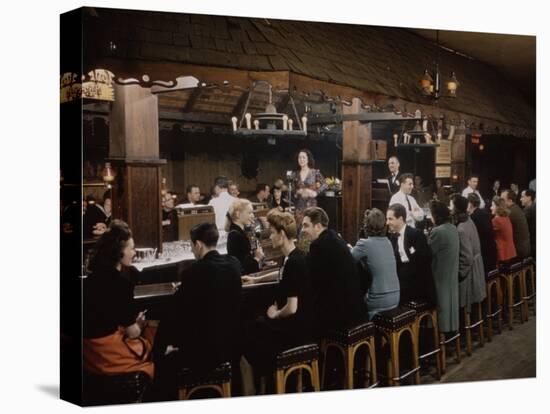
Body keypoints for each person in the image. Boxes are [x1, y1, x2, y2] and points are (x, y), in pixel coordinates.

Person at [153, 222, 242, 400]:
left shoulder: (193, 272)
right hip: (232, 347)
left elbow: (175, 315)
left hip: (204, 353)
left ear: (198, 245)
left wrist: (159, 347)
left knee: (162, 363)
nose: (193, 251)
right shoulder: (234, 265)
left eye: (192, 246)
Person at [241, 211, 313, 375]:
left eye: (272, 233)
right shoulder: (297, 256)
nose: (270, 237)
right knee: (256, 323)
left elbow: (292, 308)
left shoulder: (293, 262)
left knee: (248, 330)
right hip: (304, 325)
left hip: (295, 332)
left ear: (281, 234)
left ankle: (268, 380)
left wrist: (275, 314)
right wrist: (257, 279)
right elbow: (282, 272)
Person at [83, 220, 154, 380]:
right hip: (108, 355)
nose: (134, 253)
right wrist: (140, 324)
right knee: (154, 344)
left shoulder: (88, 281)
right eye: (132, 249)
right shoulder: (121, 285)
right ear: (119, 252)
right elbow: (133, 332)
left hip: (88, 354)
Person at [301, 207, 365, 337]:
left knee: (304, 318)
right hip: (356, 308)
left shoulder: (318, 245)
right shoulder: (335, 237)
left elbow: (309, 278)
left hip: (342, 315)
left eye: (306, 226)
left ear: (318, 226)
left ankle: (316, 355)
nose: (302, 230)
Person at [351, 208, 400, 320]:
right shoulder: (388, 242)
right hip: (396, 297)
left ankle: (364, 334)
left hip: (379, 301)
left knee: (351, 303)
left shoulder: (364, 244)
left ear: (366, 225)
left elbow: (348, 259)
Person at [386, 203, 434, 305]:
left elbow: (424, 262)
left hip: (417, 285)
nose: (387, 222)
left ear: (400, 218)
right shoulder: (392, 237)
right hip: (402, 284)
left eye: (390, 219)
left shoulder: (416, 234)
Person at [450, 194, 486, 312]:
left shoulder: (461, 228)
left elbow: (466, 258)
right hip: (476, 268)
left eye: (451, 205)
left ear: (456, 208)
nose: (449, 208)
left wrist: (458, 274)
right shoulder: (468, 220)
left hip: (469, 276)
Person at [428, 201, 460, 333]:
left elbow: (428, 254)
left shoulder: (437, 232)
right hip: (451, 274)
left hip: (439, 277)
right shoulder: (453, 228)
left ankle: (433, 336)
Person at [226, 199, 264, 275]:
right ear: (238, 214)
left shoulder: (243, 233)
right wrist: (257, 258)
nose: (253, 216)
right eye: (249, 213)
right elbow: (243, 266)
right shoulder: (235, 235)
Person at [290, 149, 327, 224]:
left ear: (308, 159)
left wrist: (316, 192)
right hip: (299, 207)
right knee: (299, 228)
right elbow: (292, 190)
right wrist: (297, 192)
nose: (301, 159)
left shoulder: (314, 172)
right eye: (299, 157)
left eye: (303, 157)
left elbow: (325, 184)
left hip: (311, 206)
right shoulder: (295, 174)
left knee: (310, 226)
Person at [467, 193, 497, 273]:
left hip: (484, 256)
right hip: (493, 252)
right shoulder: (485, 213)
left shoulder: (473, 218)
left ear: (470, 204)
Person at [501, 189, 530, 258]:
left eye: (502, 200)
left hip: (519, 251)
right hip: (525, 248)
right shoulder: (516, 208)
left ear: (510, 200)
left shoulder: (510, 212)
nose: (500, 202)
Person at [490, 196, 517, 264]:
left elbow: (488, 234)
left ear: (498, 207)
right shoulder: (506, 218)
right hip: (510, 252)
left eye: (492, 205)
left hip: (503, 254)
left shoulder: (496, 220)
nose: (490, 208)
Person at [520, 189, 536, 258]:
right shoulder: (535, 207)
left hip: (532, 244)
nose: (520, 199)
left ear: (529, 198)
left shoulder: (527, 210)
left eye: (522, 196)